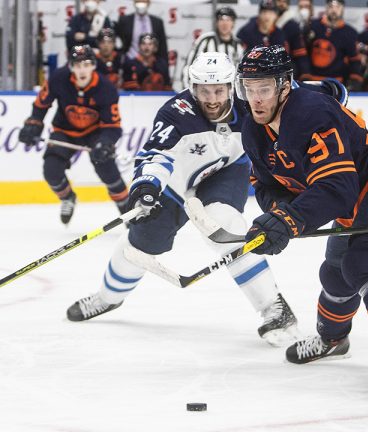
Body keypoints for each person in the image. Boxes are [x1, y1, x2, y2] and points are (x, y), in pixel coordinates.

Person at [236, 45, 368, 400]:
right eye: (249, 88)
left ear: (285, 86)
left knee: (364, 262)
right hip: (358, 193)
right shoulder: (253, 130)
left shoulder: (309, 113)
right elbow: (268, 185)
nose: (256, 99)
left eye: (265, 88)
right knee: (335, 272)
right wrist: (277, 216)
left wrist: (289, 219)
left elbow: (338, 190)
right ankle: (333, 340)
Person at [64, 52, 301, 348]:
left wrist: (327, 94)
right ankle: (107, 298)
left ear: (232, 87)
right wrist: (147, 185)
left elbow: (292, 95)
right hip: (176, 180)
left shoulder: (249, 104)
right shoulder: (176, 112)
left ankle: (274, 308)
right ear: (193, 88)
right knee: (142, 242)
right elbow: (156, 155)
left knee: (225, 227)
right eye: (204, 90)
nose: (212, 98)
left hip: (225, 172)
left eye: (218, 90)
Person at [17, 45, 128, 224]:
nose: (82, 69)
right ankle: (68, 198)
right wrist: (33, 125)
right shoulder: (59, 78)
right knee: (51, 171)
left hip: (95, 133)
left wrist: (105, 142)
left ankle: (129, 212)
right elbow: (41, 105)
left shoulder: (106, 88)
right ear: (71, 66)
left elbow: (113, 126)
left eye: (86, 64)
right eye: (77, 65)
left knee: (108, 172)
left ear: (93, 66)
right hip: (64, 131)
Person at [305, 0, 363, 90]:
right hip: (311, 81)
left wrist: (355, 79)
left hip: (335, 84)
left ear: (343, 9)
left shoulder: (349, 32)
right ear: (326, 8)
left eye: (337, 7)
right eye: (331, 6)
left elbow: (354, 60)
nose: (334, 10)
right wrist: (303, 74)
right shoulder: (313, 26)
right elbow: (302, 54)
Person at [181, 7, 245, 89]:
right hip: (204, 91)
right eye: (221, 19)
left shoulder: (238, 45)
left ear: (233, 23)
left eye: (228, 20)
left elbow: (240, 74)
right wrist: (188, 90)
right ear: (216, 22)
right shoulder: (205, 41)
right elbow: (189, 67)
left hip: (229, 94)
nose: (225, 23)